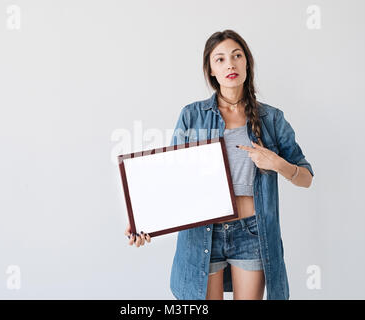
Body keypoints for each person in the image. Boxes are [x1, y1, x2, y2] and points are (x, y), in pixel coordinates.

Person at [126, 29, 314, 300]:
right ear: (211, 70)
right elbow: (170, 179)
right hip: (202, 234)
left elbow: (306, 177)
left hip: (252, 232)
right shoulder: (192, 115)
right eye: (220, 59)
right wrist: (143, 222)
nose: (230, 64)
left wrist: (277, 164)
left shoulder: (271, 118)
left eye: (237, 56)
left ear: (247, 62)